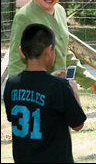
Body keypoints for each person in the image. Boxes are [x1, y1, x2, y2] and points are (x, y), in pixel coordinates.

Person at [8, 0, 96, 98]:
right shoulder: (24, 16)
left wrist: (89, 79)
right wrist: (18, 96)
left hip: (59, 88)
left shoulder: (60, 11)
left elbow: (63, 52)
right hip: (35, 94)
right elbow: (16, 61)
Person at [4, 23, 86, 163]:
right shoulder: (60, 86)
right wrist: (74, 91)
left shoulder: (11, 83)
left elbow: (15, 116)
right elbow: (78, 124)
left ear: (22, 51)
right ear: (49, 51)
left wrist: (49, 80)